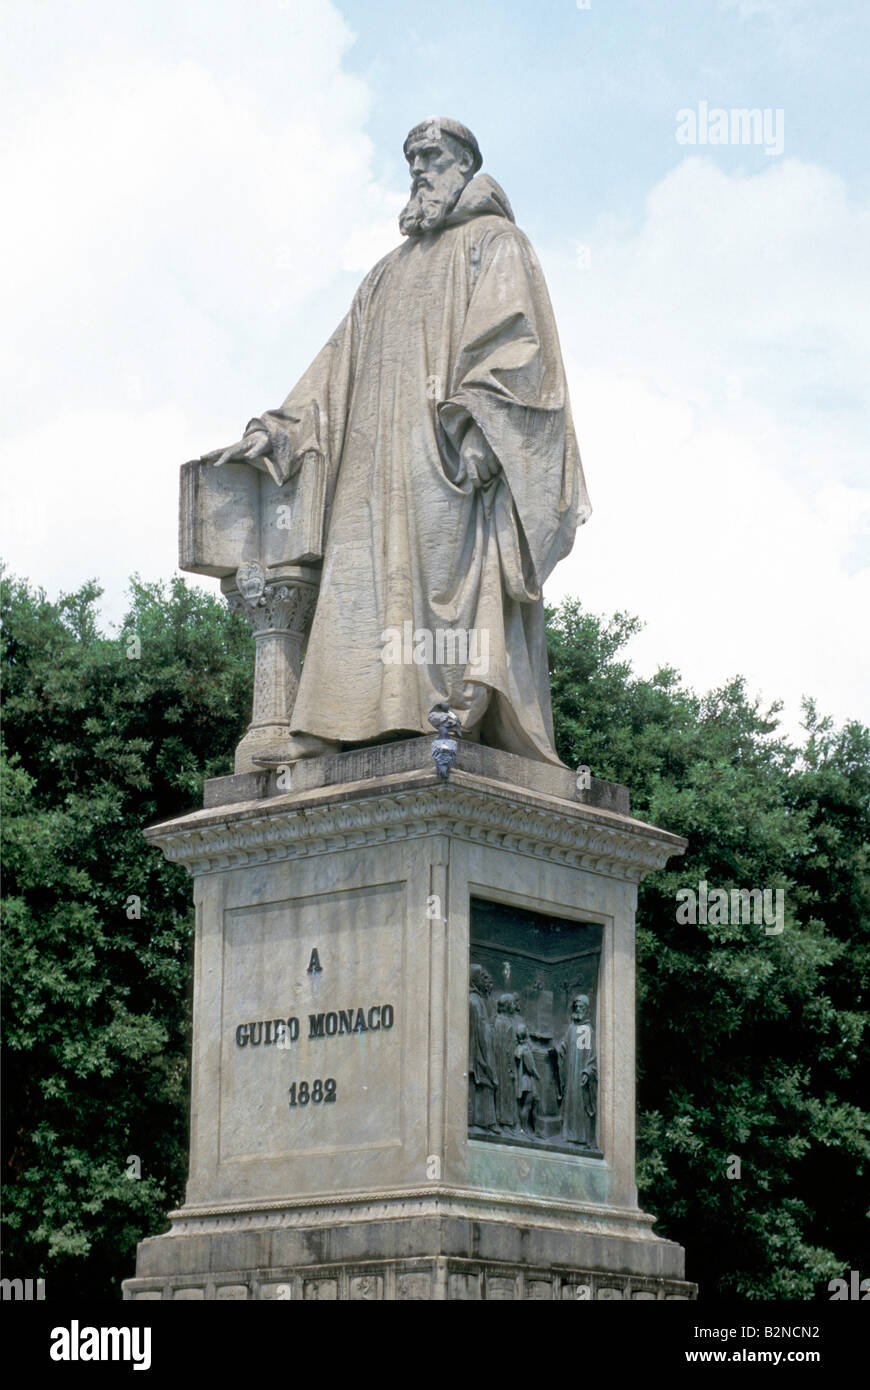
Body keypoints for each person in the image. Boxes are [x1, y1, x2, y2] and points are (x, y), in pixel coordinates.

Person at [201, 117, 589, 766]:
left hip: (447, 461)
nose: (418, 168)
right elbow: (334, 369)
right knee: (362, 587)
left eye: (431, 155)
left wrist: (479, 430)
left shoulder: (496, 243)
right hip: (371, 472)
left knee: (442, 588)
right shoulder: (386, 273)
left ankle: (442, 714)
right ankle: (357, 722)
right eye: (412, 157)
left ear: (463, 163)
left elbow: (517, 347)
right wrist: (278, 427)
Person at [556, 994, 597, 1146]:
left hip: (579, 1073)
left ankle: (580, 1136)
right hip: (570, 1073)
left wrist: (587, 1070)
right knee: (570, 1102)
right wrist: (558, 1049)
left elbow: (590, 1054)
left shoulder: (586, 1030)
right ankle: (569, 1134)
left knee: (579, 1103)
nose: (578, 1009)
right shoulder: (572, 1028)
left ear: (586, 1010)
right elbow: (565, 1044)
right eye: (576, 1007)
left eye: (581, 1007)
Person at [468, 964, 498, 1131]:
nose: (487, 981)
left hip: (478, 1052)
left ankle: (476, 1121)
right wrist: (488, 1058)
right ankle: (485, 1122)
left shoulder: (479, 1000)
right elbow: (482, 1030)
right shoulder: (475, 1001)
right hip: (479, 1053)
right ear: (475, 979)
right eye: (483, 977)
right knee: (484, 1085)